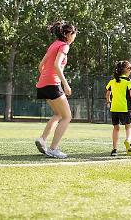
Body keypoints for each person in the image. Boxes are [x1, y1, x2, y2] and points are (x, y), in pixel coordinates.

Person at [35, 20, 77, 159]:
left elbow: (40, 66)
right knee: (67, 116)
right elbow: (57, 65)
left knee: (58, 114)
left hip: (43, 84)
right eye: (74, 33)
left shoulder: (53, 45)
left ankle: (42, 139)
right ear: (67, 34)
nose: (74, 36)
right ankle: (53, 149)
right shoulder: (64, 46)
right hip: (53, 84)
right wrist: (66, 85)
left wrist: (46, 77)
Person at [106, 60, 131, 156]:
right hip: (125, 108)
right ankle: (128, 141)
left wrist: (108, 101)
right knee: (128, 127)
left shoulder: (112, 81)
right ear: (127, 70)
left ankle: (114, 149)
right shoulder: (128, 81)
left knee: (116, 128)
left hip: (114, 108)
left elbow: (107, 93)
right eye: (130, 69)